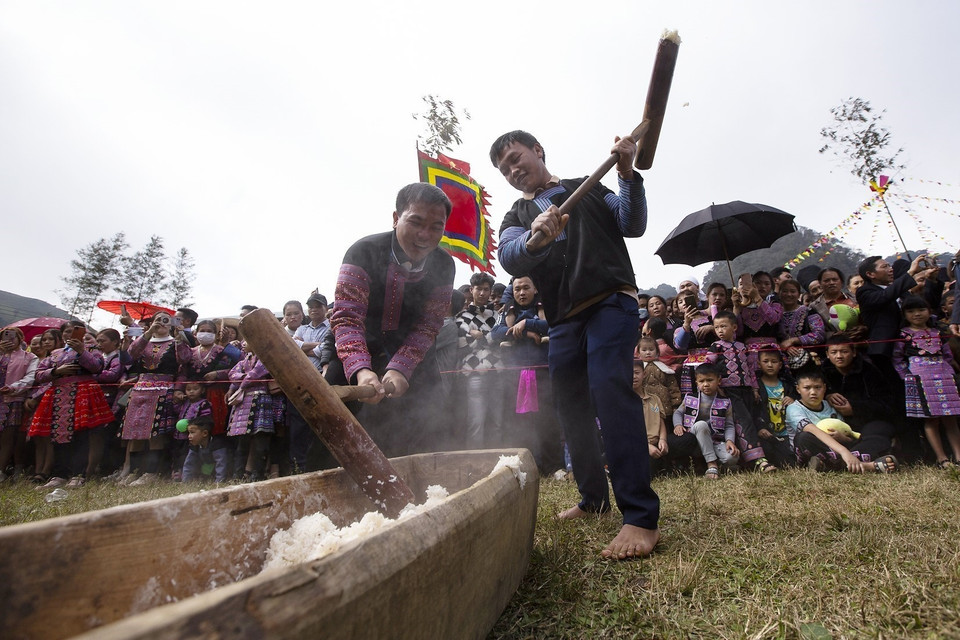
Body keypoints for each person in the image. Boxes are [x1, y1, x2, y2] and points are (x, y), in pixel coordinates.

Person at [492, 129, 659, 559]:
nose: (513, 169)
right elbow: (511, 256)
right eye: (504, 167)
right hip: (563, 317)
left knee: (609, 391)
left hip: (609, 300)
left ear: (538, 151)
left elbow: (631, 223)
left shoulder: (588, 187)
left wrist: (627, 174)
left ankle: (640, 516)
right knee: (569, 406)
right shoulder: (516, 216)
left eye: (516, 157)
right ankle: (593, 498)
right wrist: (535, 236)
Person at [326, 182, 456, 459]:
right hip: (356, 353)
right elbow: (347, 319)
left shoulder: (445, 264)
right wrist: (361, 370)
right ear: (396, 218)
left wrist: (401, 368)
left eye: (436, 227)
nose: (425, 235)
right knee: (338, 435)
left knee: (428, 432)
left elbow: (428, 326)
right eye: (416, 222)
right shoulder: (363, 251)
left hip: (414, 358)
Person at [29, 323, 114, 489]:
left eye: (77, 331)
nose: (72, 334)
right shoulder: (55, 354)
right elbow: (39, 375)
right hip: (59, 395)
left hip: (83, 394)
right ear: (62, 335)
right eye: (68, 331)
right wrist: (56, 372)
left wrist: (81, 351)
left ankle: (78, 475)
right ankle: (59, 474)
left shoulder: (92, 350)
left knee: (81, 435)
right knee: (58, 435)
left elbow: (97, 367)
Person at [492, 275, 562, 473]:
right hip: (516, 373)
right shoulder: (506, 310)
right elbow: (495, 333)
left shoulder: (546, 306)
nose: (521, 293)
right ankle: (529, 465)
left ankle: (553, 466)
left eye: (526, 288)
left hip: (543, 371)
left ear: (535, 289)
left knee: (547, 419)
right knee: (520, 421)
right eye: (517, 289)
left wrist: (528, 324)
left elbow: (553, 324)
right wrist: (524, 332)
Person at [120, 312, 193, 486]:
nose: (161, 323)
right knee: (135, 432)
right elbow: (131, 355)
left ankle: (151, 473)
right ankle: (134, 471)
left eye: (166, 320)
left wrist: (180, 337)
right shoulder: (144, 342)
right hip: (140, 389)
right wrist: (147, 333)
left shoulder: (175, 343)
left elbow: (185, 361)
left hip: (163, 388)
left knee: (155, 433)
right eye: (158, 320)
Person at [892, 296, 960, 468]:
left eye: (921, 310)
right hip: (920, 377)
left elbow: (947, 355)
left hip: (944, 375)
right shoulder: (903, 335)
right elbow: (897, 359)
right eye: (911, 311)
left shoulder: (937, 332)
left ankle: (958, 456)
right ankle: (941, 458)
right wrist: (906, 376)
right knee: (930, 419)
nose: (917, 314)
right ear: (905, 314)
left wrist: (949, 370)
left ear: (929, 312)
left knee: (951, 418)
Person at [704, 310, 775, 472]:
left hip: (746, 390)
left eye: (724, 326)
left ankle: (745, 461)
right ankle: (759, 460)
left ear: (734, 327)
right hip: (729, 392)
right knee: (744, 422)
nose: (720, 330)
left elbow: (750, 369)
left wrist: (755, 388)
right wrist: (718, 387)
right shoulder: (716, 347)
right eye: (716, 327)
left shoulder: (743, 347)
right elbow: (708, 367)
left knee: (749, 420)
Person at [788, 368, 897, 473]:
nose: (813, 392)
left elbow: (847, 433)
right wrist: (844, 452)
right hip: (815, 449)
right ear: (798, 389)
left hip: (837, 448)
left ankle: (828, 465)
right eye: (807, 388)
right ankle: (866, 465)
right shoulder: (794, 408)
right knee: (803, 437)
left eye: (818, 387)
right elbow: (812, 430)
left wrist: (844, 439)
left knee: (876, 439)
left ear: (825, 388)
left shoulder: (830, 405)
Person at [456, 272, 503, 449]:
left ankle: (498, 463)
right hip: (474, 374)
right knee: (476, 421)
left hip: (497, 372)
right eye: (478, 289)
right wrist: (489, 337)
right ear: (471, 289)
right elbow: (461, 344)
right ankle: (475, 463)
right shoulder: (462, 317)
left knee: (497, 421)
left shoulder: (498, 316)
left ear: (490, 291)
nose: (482, 293)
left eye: (486, 289)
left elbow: (501, 337)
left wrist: (478, 336)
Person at [673, 363, 739, 479]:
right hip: (694, 438)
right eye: (701, 381)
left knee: (732, 458)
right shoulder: (690, 398)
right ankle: (711, 464)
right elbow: (678, 412)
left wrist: (729, 441)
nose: (706, 384)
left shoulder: (725, 402)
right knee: (701, 425)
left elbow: (729, 425)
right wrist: (677, 424)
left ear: (719, 381)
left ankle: (719, 465)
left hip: (715, 440)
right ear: (696, 383)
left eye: (710, 380)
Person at [0, 328, 38, 481]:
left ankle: (1, 470)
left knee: (8, 437)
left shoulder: (30, 357)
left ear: (21, 339)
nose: (9, 340)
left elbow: (30, 377)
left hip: (13, 399)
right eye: (5, 336)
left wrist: (14, 387)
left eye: (13, 337)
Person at [755, 349, 798, 468]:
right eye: (765, 361)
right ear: (759, 364)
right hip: (767, 433)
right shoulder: (756, 388)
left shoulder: (787, 386)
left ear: (780, 365)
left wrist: (793, 400)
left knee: (790, 461)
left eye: (774, 361)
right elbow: (753, 411)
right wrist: (760, 427)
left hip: (786, 434)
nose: (769, 365)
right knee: (768, 450)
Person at [181, 416, 229, 483]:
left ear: (205, 433)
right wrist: (185, 482)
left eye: (192, 432)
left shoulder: (217, 444)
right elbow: (189, 464)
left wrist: (219, 483)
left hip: (227, 470)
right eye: (188, 433)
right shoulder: (195, 445)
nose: (189, 436)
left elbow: (221, 464)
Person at [294, 294, 331, 371]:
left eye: (318, 306)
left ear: (326, 309)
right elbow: (292, 345)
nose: (314, 310)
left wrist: (301, 348)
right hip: (301, 373)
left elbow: (326, 349)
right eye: (311, 307)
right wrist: (318, 344)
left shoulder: (332, 328)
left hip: (323, 374)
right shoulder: (302, 329)